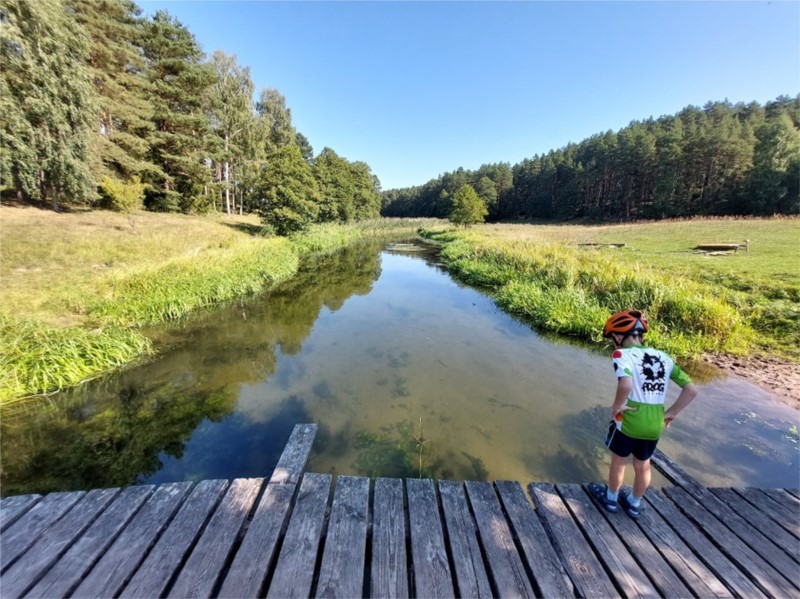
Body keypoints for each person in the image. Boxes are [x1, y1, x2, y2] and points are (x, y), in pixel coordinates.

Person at [588, 309, 698, 519]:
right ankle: (634, 503)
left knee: (619, 461)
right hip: (655, 421)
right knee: (643, 464)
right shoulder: (664, 357)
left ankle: (611, 499)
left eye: (613, 337)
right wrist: (672, 412)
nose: (614, 342)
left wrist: (616, 406)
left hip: (630, 418)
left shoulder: (622, 354)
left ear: (619, 336)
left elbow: (626, 384)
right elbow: (691, 390)